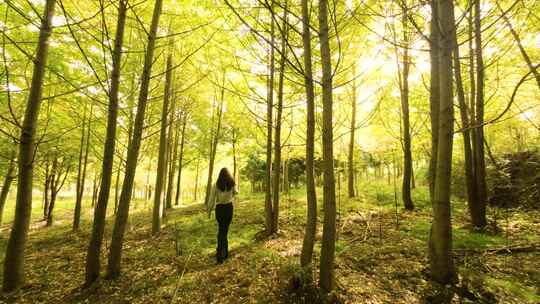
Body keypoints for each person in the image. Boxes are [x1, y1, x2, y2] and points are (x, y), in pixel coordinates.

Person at [206, 167, 238, 264]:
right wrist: (231, 193)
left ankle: (220, 255)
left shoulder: (216, 185)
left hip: (220, 209)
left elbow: (211, 199)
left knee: (221, 231)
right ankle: (225, 253)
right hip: (229, 208)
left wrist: (209, 211)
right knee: (225, 231)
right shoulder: (232, 183)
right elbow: (236, 192)